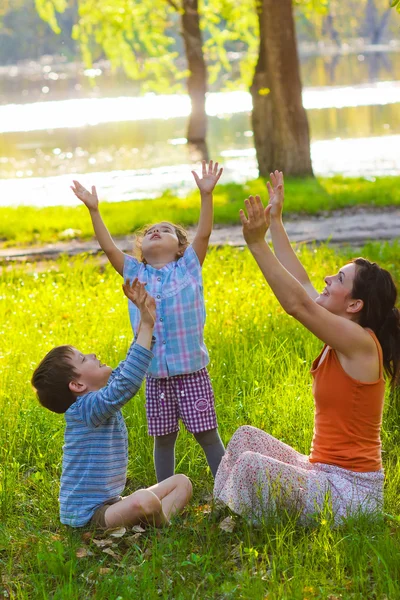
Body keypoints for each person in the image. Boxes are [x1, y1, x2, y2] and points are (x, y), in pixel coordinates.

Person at [214, 171, 400, 525]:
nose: (328, 279)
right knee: (244, 439)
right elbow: (299, 282)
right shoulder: (341, 333)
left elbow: (297, 304)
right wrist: (276, 221)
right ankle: (228, 514)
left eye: (339, 279)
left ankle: (245, 519)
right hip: (323, 473)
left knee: (253, 466)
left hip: (352, 492)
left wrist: (257, 244)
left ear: (354, 305)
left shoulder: (360, 344)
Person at [70, 161, 225, 483]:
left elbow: (206, 232)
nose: (156, 231)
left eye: (166, 230)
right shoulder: (134, 273)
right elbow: (108, 247)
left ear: (181, 247)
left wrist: (206, 195)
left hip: (192, 370)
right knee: (164, 439)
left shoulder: (189, 267)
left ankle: (229, 489)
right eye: (151, 231)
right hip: (155, 375)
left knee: (208, 435)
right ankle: (162, 493)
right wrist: (94, 211)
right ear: (141, 249)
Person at [31, 279, 192, 529]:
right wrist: (147, 326)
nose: (93, 355)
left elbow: (122, 374)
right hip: (88, 516)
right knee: (144, 501)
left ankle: (157, 520)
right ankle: (160, 524)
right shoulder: (85, 410)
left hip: (113, 503)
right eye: (84, 358)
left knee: (182, 482)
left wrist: (144, 324)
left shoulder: (97, 402)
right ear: (77, 385)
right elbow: (126, 383)